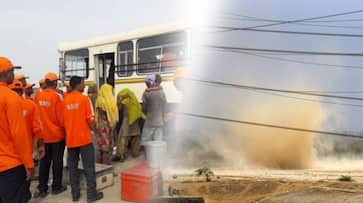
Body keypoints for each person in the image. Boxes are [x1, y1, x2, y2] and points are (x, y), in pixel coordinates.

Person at [63, 76, 103, 202]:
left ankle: (75, 195)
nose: (84, 86)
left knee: (73, 168)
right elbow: (90, 120)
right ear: (78, 85)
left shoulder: (64, 101)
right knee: (89, 167)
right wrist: (96, 133)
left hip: (70, 140)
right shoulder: (84, 99)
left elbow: (62, 122)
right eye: (83, 84)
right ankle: (91, 194)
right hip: (84, 140)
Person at [0, 56, 34, 203]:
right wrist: (29, 164)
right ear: (6, 73)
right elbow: (19, 134)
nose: (13, 74)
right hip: (11, 165)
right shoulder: (11, 98)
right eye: (12, 70)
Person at [9, 79, 46, 201]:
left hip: (7, 154)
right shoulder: (30, 105)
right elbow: (37, 129)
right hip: (26, 151)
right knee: (25, 179)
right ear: (22, 91)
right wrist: (41, 145)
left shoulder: (4, 105)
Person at [34, 72, 67, 198]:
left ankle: (42, 188)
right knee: (57, 161)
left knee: (44, 163)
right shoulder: (57, 97)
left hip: (43, 136)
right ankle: (56, 187)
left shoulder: (38, 96)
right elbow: (60, 119)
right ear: (54, 83)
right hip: (56, 136)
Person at [113, 88, 145, 162]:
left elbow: (119, 108)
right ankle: (135, 152)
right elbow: (138, 109)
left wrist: (120, 100)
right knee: (136, 136)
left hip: (127, 120)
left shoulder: (124, 100)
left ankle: (121, 155)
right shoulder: (133, 98)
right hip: (134, 120)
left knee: (123, 138)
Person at [95, 83, 119, 164]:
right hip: (104, 126)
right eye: (111, 90)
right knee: (105, 148)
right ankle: (104, 168)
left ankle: (105, 165)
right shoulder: (101, 100)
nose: (112, 91)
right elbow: (104, 114)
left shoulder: (107, 100)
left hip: (107, 125)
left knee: (106, 147)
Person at [141, 74, 167, 146]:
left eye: (147, 83)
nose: (146, 84)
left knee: (145, 140)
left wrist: (145, 112)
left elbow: (144, 108)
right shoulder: (162, 92)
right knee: (158, 142)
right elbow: (164, 106)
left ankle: (147, 156)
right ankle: (157, 156)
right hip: (159, 121)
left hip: (150, 121)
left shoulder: (146, 93)